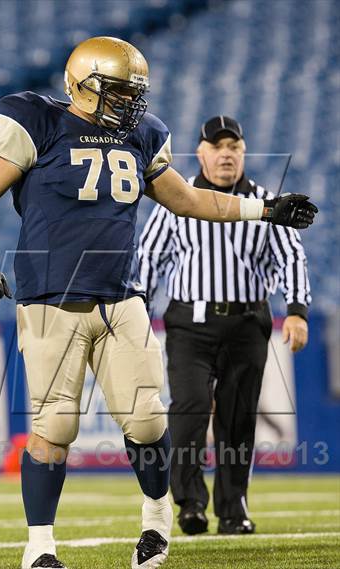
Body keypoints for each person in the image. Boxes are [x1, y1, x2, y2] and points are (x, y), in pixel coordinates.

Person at [0, 36, 317, 569]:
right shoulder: (37, 122)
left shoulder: (140, 136)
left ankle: (156, 519)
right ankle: (39, 548)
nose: (130, 101)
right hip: (50, 300)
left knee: (148, 422)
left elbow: (191, 200)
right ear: (81, 85)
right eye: (119, 90)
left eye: (135, 91)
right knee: (54, 427)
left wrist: (265, 209)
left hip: (120, 296)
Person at [138, 116, 313, 537]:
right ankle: (190, 503)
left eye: (233, 146)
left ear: (243, 152)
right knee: (190, 409)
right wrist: (137, 312)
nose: (226, 154)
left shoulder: (270, 204)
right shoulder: (178, 201)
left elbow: (291, 256)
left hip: (247, 322)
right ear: (201, 153)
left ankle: (233, 509)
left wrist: (296, 310)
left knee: (238, 419)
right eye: (217, 147)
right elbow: (147, 258)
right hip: (190, 324)